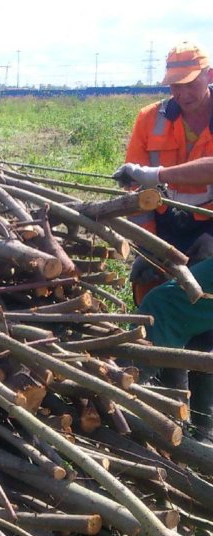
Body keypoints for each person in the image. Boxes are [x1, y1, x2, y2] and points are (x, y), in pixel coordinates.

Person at [113, 41, 213, 441]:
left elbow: (153, 176)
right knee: (153, 296)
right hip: (164, 226)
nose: (181, 93)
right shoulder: (150, 120)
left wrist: (158, 176)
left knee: (196, 309)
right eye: (174, 85)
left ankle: (202, 424)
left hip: (210, 226)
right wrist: (145, 242)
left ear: (208, 76)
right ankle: (174, 409)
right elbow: (137, 192)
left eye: (189, 84)